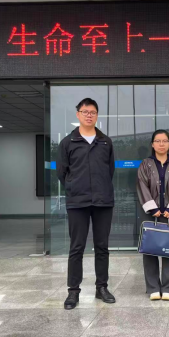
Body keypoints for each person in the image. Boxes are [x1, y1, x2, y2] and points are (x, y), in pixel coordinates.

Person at [57, 98, 116, 309]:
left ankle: (102, 287)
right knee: (77, 247)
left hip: (103, 201)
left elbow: (110, 170)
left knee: (102, 246)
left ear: (97, 115)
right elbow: (62, 173)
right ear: (78, 114)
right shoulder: (68, 142)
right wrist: (74, 188)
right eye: (85, 112)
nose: (89, 115)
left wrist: (101, 188)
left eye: (92, 112)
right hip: (78, 202)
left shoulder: (105, 142)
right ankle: (73, 291)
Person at [137, 130, 169, 301]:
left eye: (165, 141)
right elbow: (141, 186)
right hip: (150, 214)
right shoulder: (145, 164)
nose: (161, 144)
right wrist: (152, 208)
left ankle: (167, 288)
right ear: (152, 144)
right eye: (157, 141)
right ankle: (152, 288)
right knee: (150, 250)